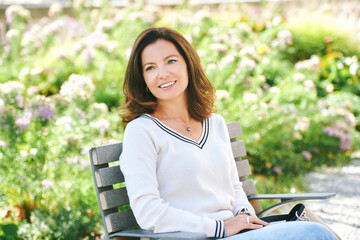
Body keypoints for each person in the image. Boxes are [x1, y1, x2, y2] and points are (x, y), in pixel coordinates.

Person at [119, 27, 338, 239]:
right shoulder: (141, 131)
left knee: (314, 230)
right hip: (194, 236)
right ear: (143, 79)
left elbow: (234, 187)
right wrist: (219, 228)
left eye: (171, 61)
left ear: (188, 64)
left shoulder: (215, 123)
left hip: (238, 233)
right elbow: (148, 212)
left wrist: (244, 214)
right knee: (314, 233)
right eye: (150, 68)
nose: (162, 73)